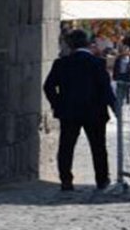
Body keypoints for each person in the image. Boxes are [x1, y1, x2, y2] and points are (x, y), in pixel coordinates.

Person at [44, 30, 116, 191]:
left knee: (66, 147)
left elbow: (48, 87)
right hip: (95, 112)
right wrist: (114, 107)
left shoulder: (61, 63)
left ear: (70, 45)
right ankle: (102, 179)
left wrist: (58, 104)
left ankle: (66, 180)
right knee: (98, 147)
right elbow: (105, 89)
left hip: (69, 112)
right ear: (88, 44)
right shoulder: (97, 63)